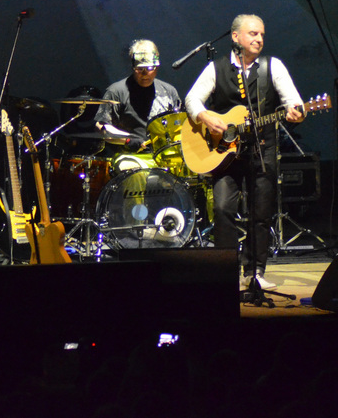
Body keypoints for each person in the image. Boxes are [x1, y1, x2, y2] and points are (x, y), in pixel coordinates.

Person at [184, 15, 304, 289]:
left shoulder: (273, 67)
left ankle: (255, 272)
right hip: (224, 154)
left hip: (262, 149)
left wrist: (298, 111)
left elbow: (293, 101)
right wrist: (205, 117)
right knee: (223, 208)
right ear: (235, 37)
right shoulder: (217, 67)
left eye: (262, 34)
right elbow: (192, 99)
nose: (259, 39)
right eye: (252, 34)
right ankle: (224, 270)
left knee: (260, 213)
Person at [94, 39, 181, 151]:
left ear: (157, 67)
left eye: (149, 68)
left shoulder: (169, 91)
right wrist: (128, 140)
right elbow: (101, 126)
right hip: (130, 156)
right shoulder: (116, 92)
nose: (144, 73)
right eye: (139, 69)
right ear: (132, 67)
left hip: (164, 155)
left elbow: (179, 125)